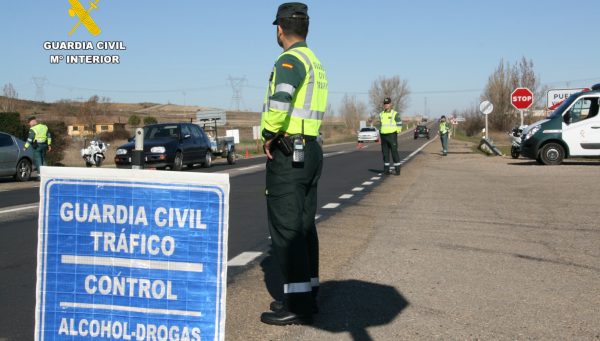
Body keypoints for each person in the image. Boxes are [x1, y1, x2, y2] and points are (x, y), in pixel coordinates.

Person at [259, 2, 328, 326]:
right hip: (309, 148)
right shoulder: (314, 60)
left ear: (280, 29)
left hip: (289, 151)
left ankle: (298, 304)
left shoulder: (290, 60)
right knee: (303, 225)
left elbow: (280, 100)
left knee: (287, 229)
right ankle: (307, 292)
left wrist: (270, 133)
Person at [378, 97, 402, 175]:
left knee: (394, 152)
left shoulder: (395, 113)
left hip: (392, 135)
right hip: (383, 136)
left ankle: (397, 170)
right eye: (385, 104)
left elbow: (399, 123)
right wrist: (380, 134)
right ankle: (386, 170)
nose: (386, 105)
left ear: (390, 104)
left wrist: (397, 131)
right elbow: (381, 125)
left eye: (387, 103)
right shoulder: (381, 114)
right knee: (385, 153)